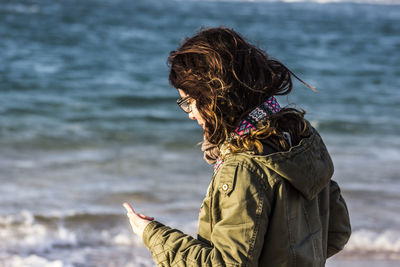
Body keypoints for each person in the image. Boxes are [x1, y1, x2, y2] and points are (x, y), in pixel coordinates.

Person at [123, 27, 351, 266]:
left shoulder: (242, 167)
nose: (190, 114)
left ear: (214, 97)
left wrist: (153, 234)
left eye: (190, 101)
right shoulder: (299, 139)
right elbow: (336, 233)